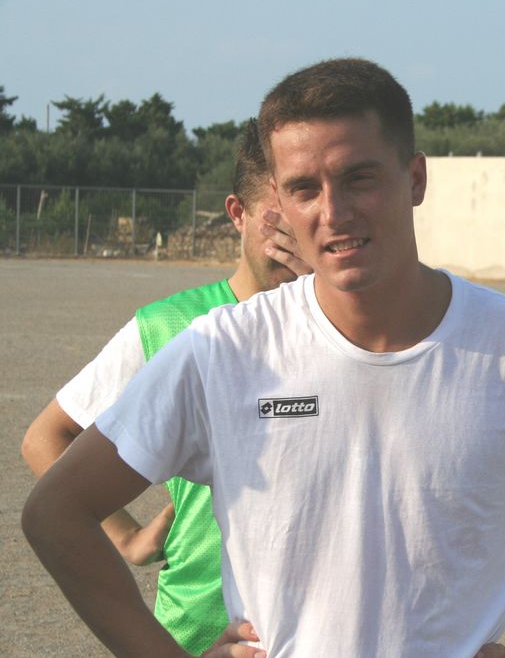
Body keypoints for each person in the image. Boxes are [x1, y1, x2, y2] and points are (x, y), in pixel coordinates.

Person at [23, 58, 505, 658]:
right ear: (277, 202)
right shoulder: (222, 349)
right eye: (303, 188)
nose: (333, 211)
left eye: (358, 178)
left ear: (415, 178)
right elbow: (56, 512)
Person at [20, 119, 310, 655]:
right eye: (278, 227)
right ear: (237, 215)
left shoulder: (355, 327)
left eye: (306, 224)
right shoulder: (171, 327)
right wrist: (127, 537)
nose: (295, 245)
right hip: (197, 628)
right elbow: (47, 437)